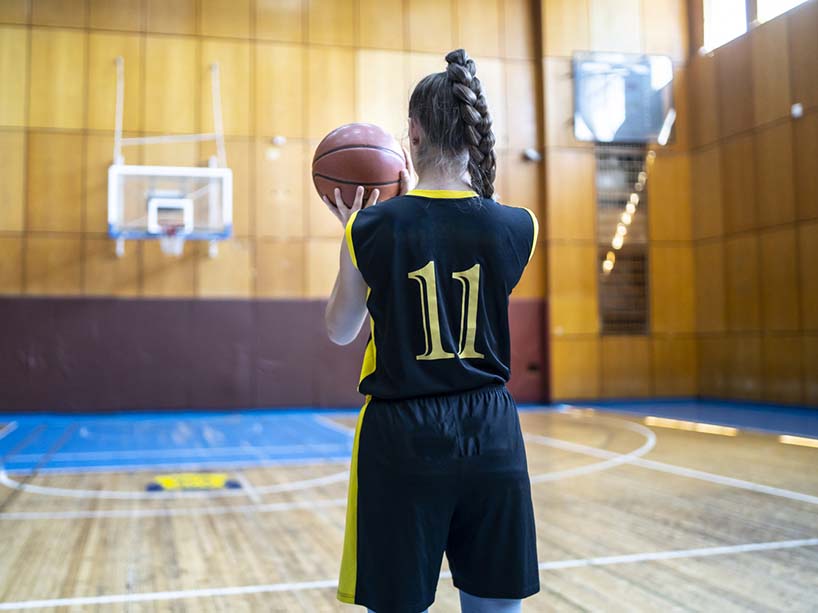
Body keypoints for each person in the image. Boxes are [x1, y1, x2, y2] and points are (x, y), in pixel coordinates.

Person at [323, 49, 540, 613]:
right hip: (491, 432)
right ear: (474, 133)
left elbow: (341, 331)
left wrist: (351, 239)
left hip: (400, 436)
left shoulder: (367, 228)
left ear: (411, 135)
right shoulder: (520, 226)